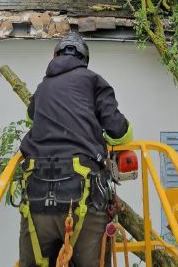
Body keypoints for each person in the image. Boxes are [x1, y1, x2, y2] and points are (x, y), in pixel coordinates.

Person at [17, 32, 133, 267]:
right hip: (83, 192)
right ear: (84, 59)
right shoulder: (94, 81)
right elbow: (119, 131)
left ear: (55, 55)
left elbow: (30, 118)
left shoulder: (43, 86)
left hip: (36, 190)